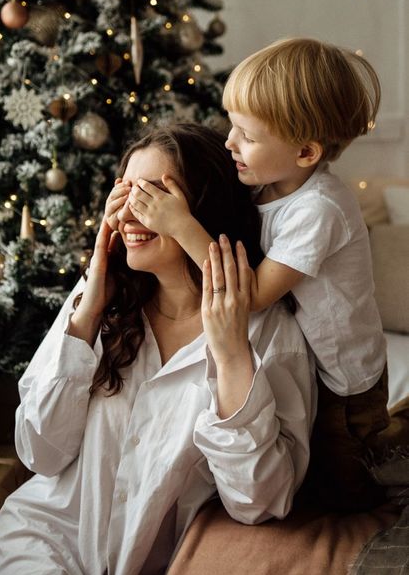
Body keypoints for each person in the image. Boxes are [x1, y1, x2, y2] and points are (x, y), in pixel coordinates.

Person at [0, 123, 315, 575]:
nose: (130, 213)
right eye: (125, 194)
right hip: (41, 544)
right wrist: (86, 314)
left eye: (154, 195)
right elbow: (40, 452)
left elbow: (258, 502)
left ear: (202, 207)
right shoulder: (100, 301)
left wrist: (232, 355)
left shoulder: (271, 336)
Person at [126, 39, 390, 510]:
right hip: (310, 359)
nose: (229, 142)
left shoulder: (320, 208)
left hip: (347, 380)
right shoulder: (265, 185)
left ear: (305, 152)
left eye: (246, 135)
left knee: (347, 478)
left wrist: (181, 225)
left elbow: (251, 296)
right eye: (232, 126)